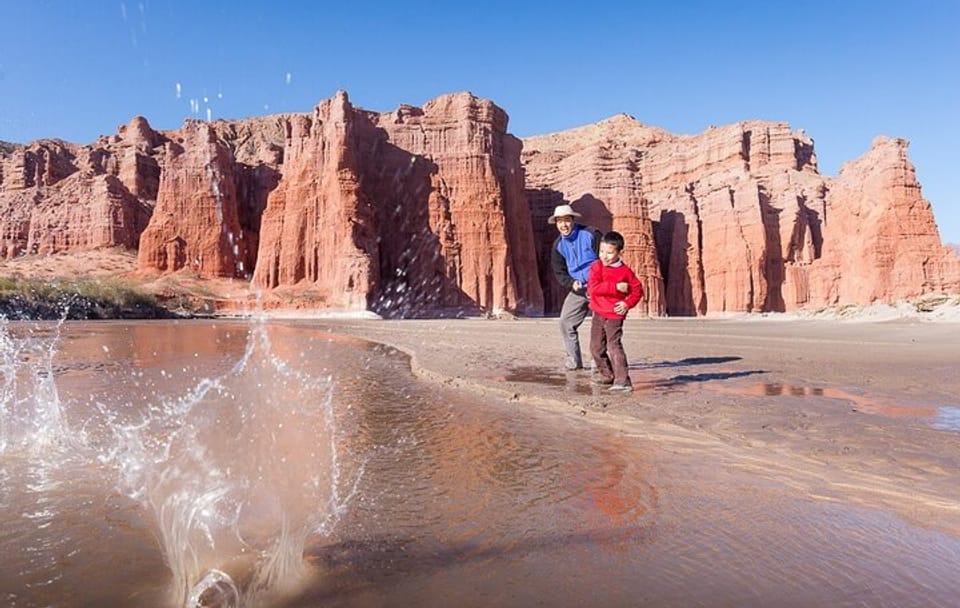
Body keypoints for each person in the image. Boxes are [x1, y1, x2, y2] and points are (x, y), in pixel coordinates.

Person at [587, 231, 644, 392]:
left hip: (614, 315)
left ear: (619, 252)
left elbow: (637, 290)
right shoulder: (596, 267)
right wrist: (616, 287)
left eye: (609, 253)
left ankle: (623, 381)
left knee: (613, 346)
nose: (604, 256)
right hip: (598, 313)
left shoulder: (625, 272)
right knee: (595, 348)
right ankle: (608, 375)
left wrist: (627, 303)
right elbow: (593, 289)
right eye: (601, 251)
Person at [549, 204, 602, 371]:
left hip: (599, 287)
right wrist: (571, 282)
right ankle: (574, 362)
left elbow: (606, 258)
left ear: (573, 220)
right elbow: (560, 272)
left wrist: (598, 281)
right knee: (565, 322)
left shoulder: (591, 234)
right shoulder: (558, 246)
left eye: (566, 220)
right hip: (578, 290)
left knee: (599, 325)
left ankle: (598, 363)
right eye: (559, 221)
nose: (563, 225)